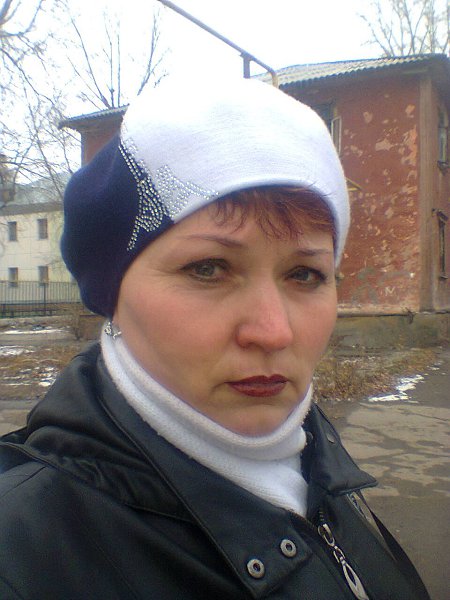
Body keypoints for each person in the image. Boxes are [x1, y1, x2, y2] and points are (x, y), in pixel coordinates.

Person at [0, 77, 430, 599]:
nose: (273, 331)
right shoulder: (23, 553)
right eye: (208, 268)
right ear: (114, 293)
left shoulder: (317, 467)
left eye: (304, 274)